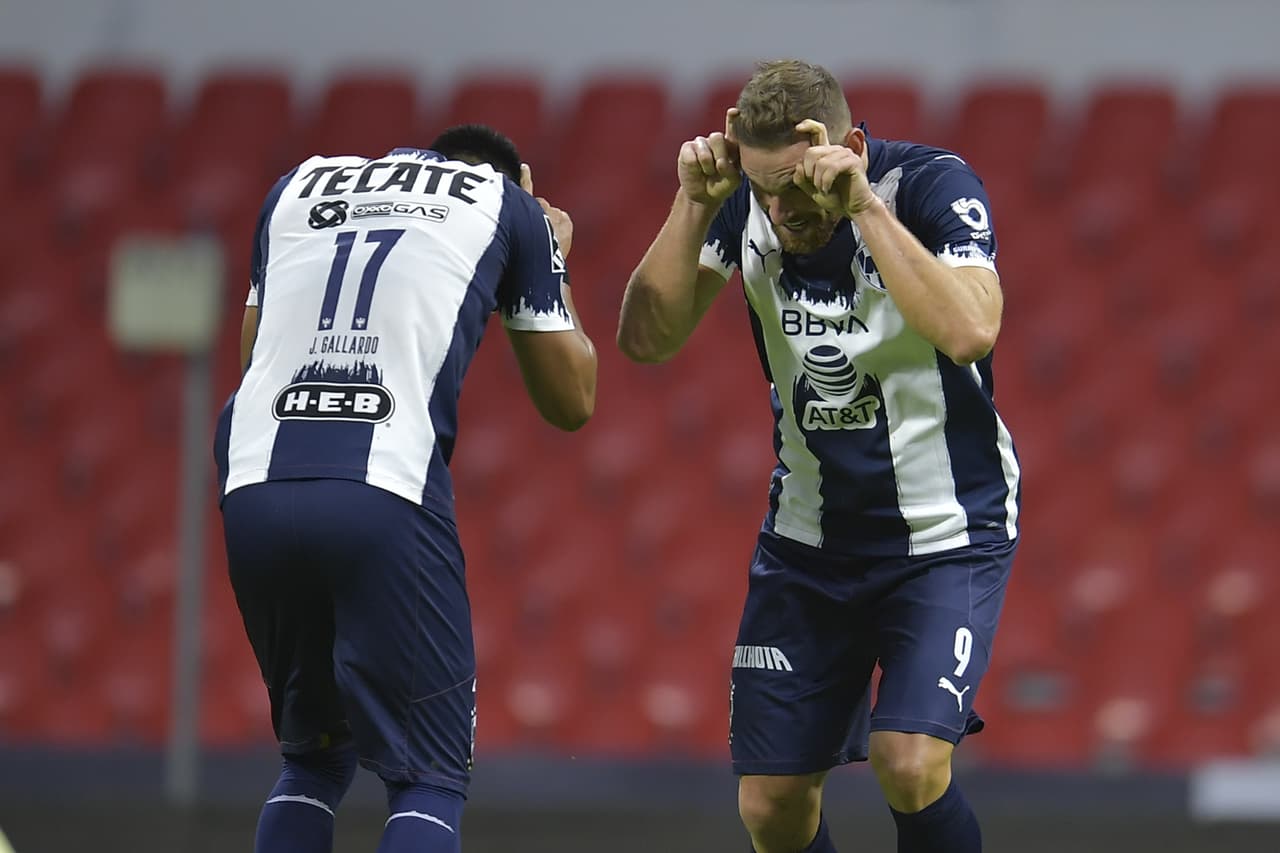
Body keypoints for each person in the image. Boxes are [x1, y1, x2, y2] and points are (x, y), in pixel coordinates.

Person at [618, 60, 1020, 853]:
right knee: (770, 805)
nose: (778, 209)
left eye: (796, 188)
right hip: (808, 542)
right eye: (763, 188)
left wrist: (862, 205)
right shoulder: (745, 205)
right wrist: (693, 205)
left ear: (853, 148)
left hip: (945, 534)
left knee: (906, 764)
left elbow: (974, 329)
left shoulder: (933, 187)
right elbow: (645, 339)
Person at [214, 124, 597, 853]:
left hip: (255, 479)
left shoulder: (297, 183)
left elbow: (252, 357)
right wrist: (548, 258)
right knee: (430, 777)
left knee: (312, 755)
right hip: (381, 486)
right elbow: (572, 399)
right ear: (522, 177)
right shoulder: (506, 203)